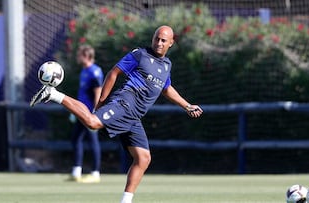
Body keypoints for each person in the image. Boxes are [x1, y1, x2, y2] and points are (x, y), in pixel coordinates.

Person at [30, 25, 203, 203]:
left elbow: (166, 88)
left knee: (143, 158)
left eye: (163, 40)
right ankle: (53, 94)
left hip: (134, 117)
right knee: (92, 123)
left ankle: (125, 201)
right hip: (124, 103)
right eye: (156, 38)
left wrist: (187, 105)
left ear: (171, 43)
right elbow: (114, 73)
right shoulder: (140, 54)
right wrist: (102, 102)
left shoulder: (166, 65)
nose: (159, 42)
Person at [69, 45, 104, 183]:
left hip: (90, 113)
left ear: (86, 56)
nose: (78, 57)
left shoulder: (94, 72)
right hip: (80, 112)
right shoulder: (84, 71)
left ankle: (96, 173)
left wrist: (96, 112)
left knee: (93, 142)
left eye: (80, 55)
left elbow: (98, 92)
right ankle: (76, 172)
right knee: (76, 139)